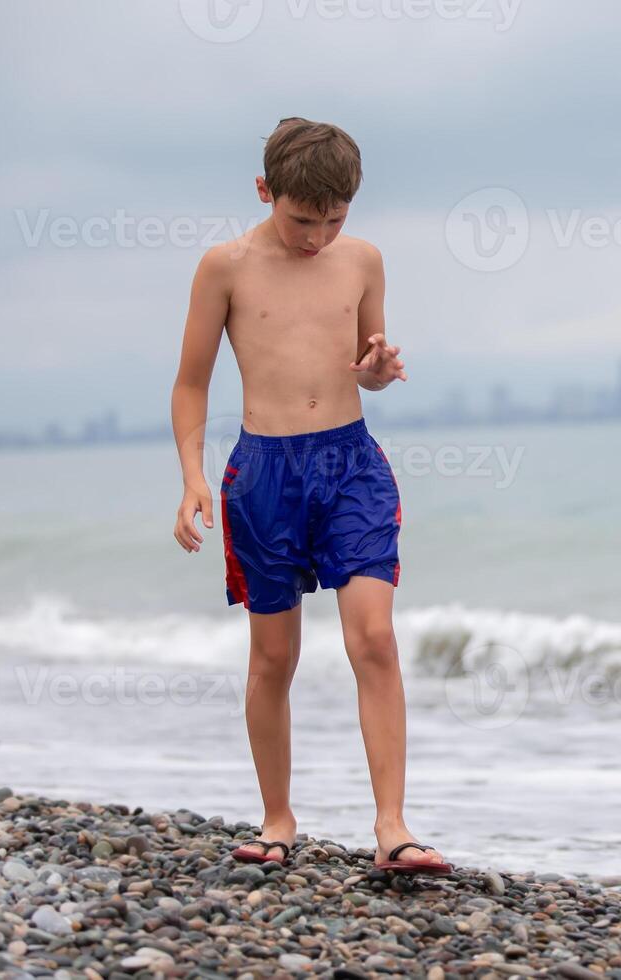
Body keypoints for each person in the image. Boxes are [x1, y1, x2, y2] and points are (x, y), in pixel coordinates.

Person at [169, 117, 450, 876]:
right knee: (272, 658)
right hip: (262, 475)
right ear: (265, 192)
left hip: (350, 464)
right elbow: (191, 382)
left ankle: (392, 826)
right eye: (302, 219)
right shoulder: (222, 267)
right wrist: (195, 477)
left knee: (374, 639)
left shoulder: (362, 260)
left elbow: (364, 363)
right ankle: (277, 816)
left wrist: (378, 371)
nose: (318, 237)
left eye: (334, 219)